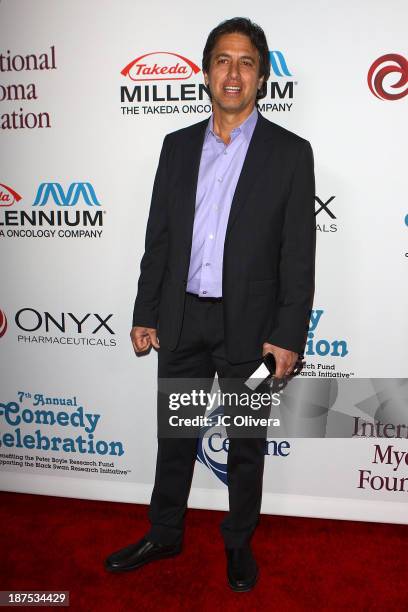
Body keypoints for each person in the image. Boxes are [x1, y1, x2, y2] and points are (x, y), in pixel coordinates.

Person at [105, 17, 316, 592]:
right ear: (205, 71)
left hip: (250, 329)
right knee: (175, 436)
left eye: (246, 62)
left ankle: (239, 542)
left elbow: (299, 256)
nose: (233, 72)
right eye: (223, 59)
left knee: (245, 445)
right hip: (181, 318)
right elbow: (159, 239)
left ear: (261, 76)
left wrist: (288, 334)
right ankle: (164, 532)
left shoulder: (291, 154)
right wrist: (146, 310)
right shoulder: (176, 148)